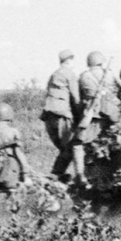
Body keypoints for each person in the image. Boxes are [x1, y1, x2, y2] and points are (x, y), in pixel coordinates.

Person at [70, 51, 114, 186]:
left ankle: (81, 175)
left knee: (77, 144)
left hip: (91, 115)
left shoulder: (84, 77)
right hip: (109, 115)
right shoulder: (109, 75)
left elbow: (77, 99)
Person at [41, 49, 81, 182]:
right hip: (62, 116)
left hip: (49, 116)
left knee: (64, 149)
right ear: (69, 60)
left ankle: (58, 174)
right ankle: (56, 175)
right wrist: (80, 117)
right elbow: (76, 98)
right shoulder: (70, 74)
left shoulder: (54, 75)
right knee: (71, 146)